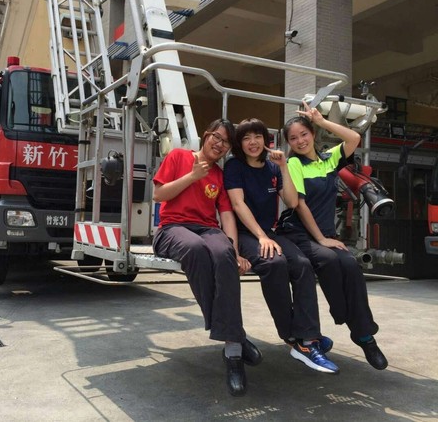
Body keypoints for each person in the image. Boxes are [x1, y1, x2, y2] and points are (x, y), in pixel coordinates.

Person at [152, 118, 262, 397]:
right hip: (172, 228)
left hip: (207, 228)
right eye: (217, 137)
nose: (220, 144)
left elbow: (226, 215)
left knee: (223, 252)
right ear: (206, 135)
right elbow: (158, 194)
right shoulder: (178, 156)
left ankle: (232, 350)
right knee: (196, 249)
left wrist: (235, 251)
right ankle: (235, 339)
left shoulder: (220, 176)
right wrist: (192, 176)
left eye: (226, 142)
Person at [277, 101, 388, 370]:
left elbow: (354, 137)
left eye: (304, 134)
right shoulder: (294, 163)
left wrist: (322, 120)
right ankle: (345, 319)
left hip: (323, 233)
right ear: (289, 144)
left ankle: (364, 336)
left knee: (350, 263)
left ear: (313, 134)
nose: (300, 141)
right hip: (298, 232)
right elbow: (299, 205)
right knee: (328, 259)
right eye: (293, 138)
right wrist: (322, 238)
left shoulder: (329, 159)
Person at [224, 118, 339, 374]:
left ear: (267, 140)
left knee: (301, 263)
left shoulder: (273, 168)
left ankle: (308, 339)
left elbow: (292, 201)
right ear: (239, 144)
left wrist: (284, 167)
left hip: (270, 232)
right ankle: (291, 336)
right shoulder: (234, 166)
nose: (253, 142)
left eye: (257, 136)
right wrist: (261, 237)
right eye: (245, 138)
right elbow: (238, 205)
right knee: (274, 263)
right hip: (245, 233)